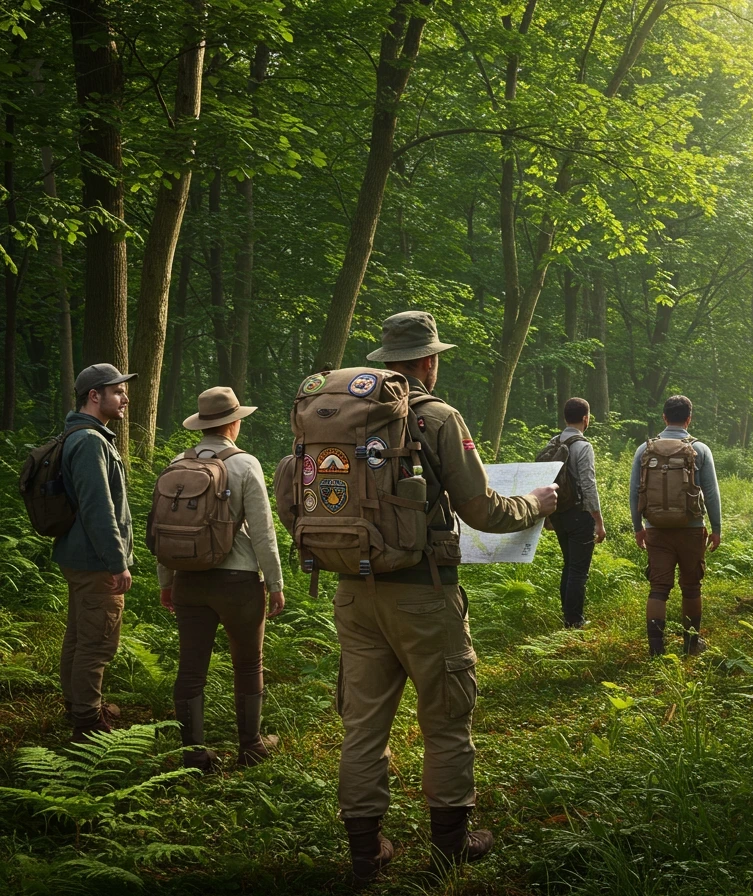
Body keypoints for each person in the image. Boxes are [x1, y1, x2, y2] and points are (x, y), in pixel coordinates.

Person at [337, 311, 558, 886]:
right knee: (446, 718)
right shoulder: (437, 417)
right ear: (428, 360)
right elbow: (481, 510)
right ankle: (452, 845)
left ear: (388, 359)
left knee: (362, 724)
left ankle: (365, 852)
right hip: (423, 595)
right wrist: (536, 503)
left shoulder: (337, 414)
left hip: (353, 592)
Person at [156, 387, 286, 771]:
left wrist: (167, 581)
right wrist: (275, 583)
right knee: (248, 663)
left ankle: (192, 754)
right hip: (239, 581)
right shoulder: (246, 465)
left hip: (189, 580)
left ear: (202, 425)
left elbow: (165, 527)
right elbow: (263, 531)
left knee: (191, 666)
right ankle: (251, 746)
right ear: (234, 422)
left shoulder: (177, 462)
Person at [52, 363, 136, 742]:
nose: (125, 398)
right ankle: (87, 723)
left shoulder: (83, 436)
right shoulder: (89, 441)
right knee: (98, 642)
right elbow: (98, 508)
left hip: (81, 556)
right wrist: (117, 563)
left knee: (79, 636)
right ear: (94, 396)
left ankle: (77, 703)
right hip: (95, 560)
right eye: (118, 391)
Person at [629, 395, 722, 657]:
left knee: (658, 588)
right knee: (691, 587)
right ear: (689, 418)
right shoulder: (700, 449)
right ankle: (691, 646)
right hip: (692, 528)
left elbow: (635, 493)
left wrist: (639, 527)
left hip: (656, 527)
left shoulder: (644, 449)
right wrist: (716, 529)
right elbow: (711, 494)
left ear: (664, 417)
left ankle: (656, 650)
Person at [541, 398, 606, 628]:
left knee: (569, 565)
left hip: (559, 513)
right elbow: (588, 485)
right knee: (578, 570)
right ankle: (574, 620)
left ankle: (567, 617)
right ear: (586, 418)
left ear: (565, 417)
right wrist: (598, 521)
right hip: (579, 515)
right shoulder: (583, 446)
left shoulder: (553, 442)